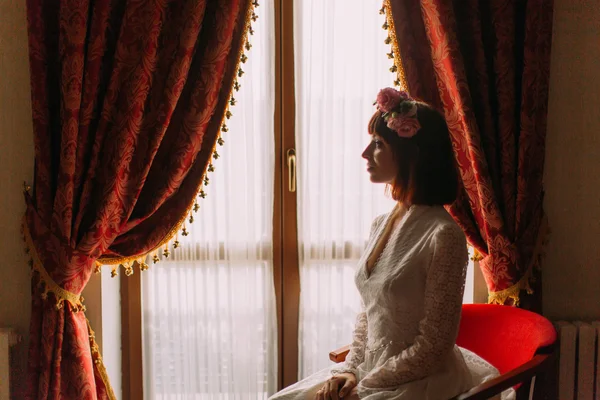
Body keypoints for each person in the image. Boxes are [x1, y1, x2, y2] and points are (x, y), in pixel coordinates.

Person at [269, 88, 515, 400]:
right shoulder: (380, 225)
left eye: (377, 144)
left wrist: (366, 384)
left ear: (410, 154)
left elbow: (434, 346)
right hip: (370, 371)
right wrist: (349, 370)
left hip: (422, 380)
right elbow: (367, 316)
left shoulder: (444, 235)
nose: (364, 154)